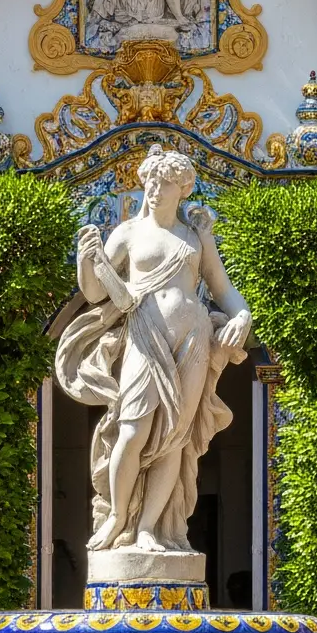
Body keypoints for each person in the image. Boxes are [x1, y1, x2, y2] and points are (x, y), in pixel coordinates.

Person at [55, 147, 252, 559]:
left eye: (164, 184)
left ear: (183, 189)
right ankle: (117, 517)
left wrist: (242, 316)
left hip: (192, 339)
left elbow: (221, 287)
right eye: (150, 182)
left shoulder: (194, 236)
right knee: (133, 428)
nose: (155, 191)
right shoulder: (127, 232)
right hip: (144, 337)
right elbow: (94, 293)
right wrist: (84, 262)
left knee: (175, 439)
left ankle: (149, 529)